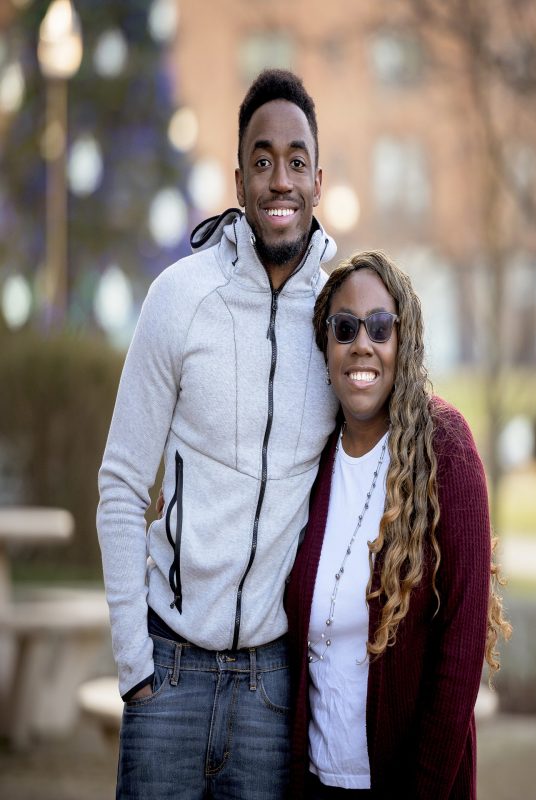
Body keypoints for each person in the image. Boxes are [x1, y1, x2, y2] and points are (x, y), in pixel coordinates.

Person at [97, 69, 339, 800]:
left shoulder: (341, 315)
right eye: (262, 161)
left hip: (271, 687)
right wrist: (133, 666)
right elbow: (120, 485)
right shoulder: (179, 298)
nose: (279, 180)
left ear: (319, 180)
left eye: (296, 161)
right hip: (167, 675)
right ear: (238, 178)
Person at [285, 251, 511, 799]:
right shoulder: (310, 462)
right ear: (326, 346)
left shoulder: (445, 450)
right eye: (344, 328)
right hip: (315, 780)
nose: (362, 343)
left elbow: (459, 658)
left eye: (379, 326)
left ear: (400, 341)